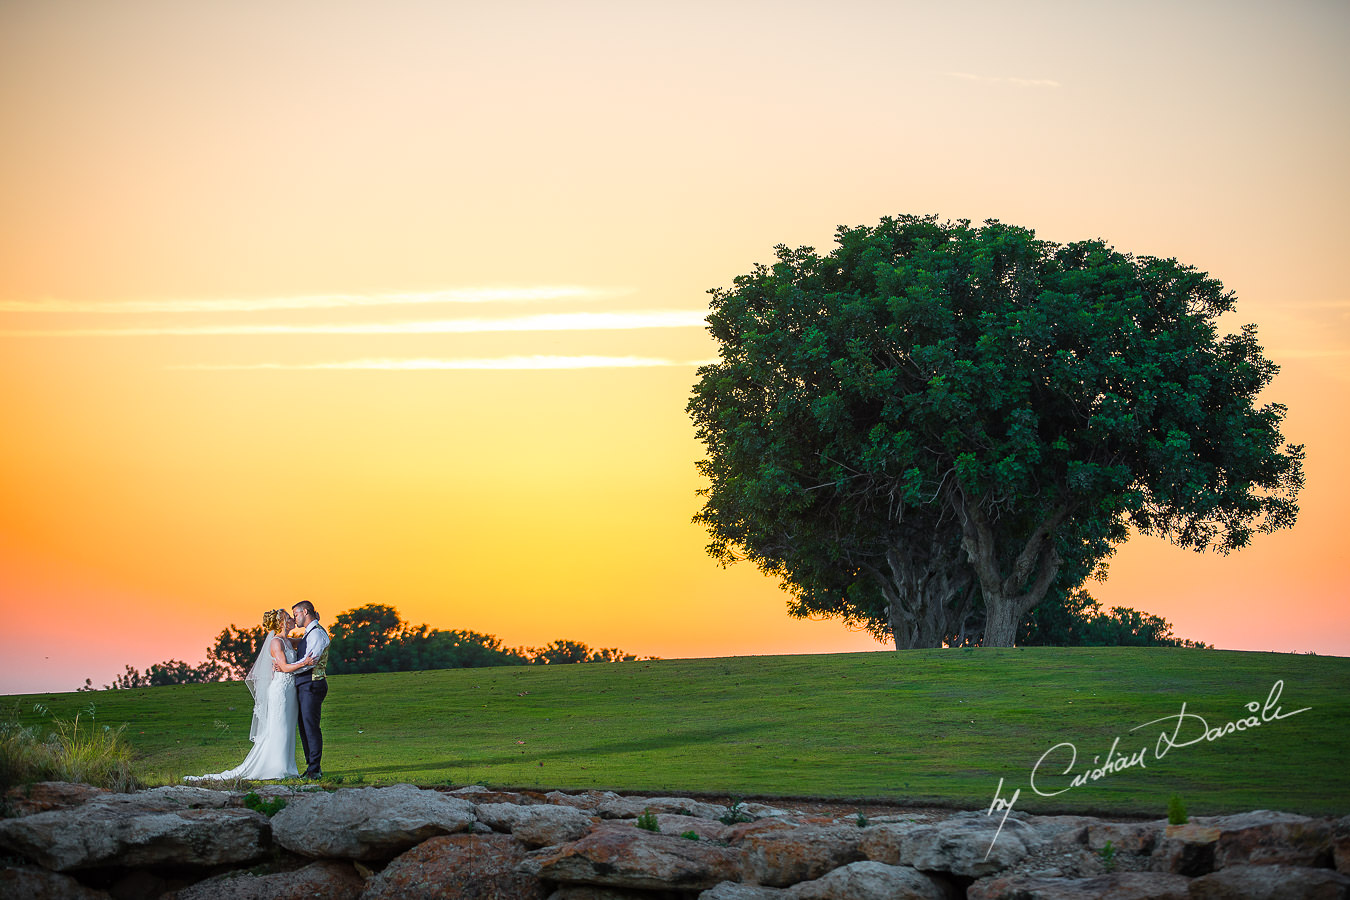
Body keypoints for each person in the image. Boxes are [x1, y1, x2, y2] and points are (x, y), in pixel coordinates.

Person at [185, 609, 313, 782]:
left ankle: (288, 766)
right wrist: (304, 663)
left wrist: (315, 625)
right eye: (289, 618)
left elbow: (306, 640)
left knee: (288, 728)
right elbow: (284, 667)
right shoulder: (276, 643)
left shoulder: (288, 641)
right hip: (281, 690)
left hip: (290, 690)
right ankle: (277, 767)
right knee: (280, 727)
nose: (292, 620)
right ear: (282, 622)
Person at [289, 600, 331, 780]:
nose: (294, 618)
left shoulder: (317, 634)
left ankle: (315, 769)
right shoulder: (310, 633)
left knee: (311, 726)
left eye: (296, 614)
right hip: (305, 685)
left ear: (305, 612)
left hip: (312, 684)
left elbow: (309, 662)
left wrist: (287, 669)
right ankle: (311, 766)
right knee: (304, 727)